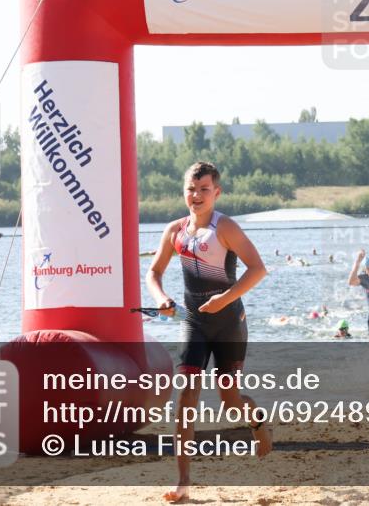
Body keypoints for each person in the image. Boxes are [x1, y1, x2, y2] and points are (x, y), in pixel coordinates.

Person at [145, 161, 271, 503]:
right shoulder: (175, 231)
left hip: (229, 322)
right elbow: (154, 273)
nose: (197, 196)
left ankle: (257, 423)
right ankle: (184, 480)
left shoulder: (225, 227)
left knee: (231, 405)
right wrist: (162, 298)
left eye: (204, 190)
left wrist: (225, 298)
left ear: (216, 192)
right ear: (183, 190)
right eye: (191, 189)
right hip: (194, 322)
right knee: (186, 399)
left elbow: (258, 269)